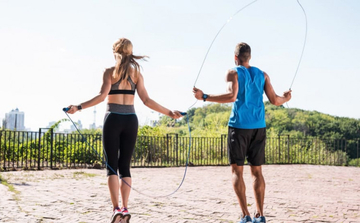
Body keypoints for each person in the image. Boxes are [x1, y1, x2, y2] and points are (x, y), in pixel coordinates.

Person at [66, 38, 182, 223]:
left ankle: (116, 209)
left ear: (115, 53)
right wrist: (169, 112)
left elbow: (102, 97)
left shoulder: (109, 72)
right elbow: (146, 100)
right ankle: (125, 207)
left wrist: (78, 107)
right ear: (130, 52)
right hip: (131, 121)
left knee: (112, 166)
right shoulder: (136, 74)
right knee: (125, 166)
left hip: (113, 118)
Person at [193, 42, 291, 223]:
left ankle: (245, 215)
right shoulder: (263, 74)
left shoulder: (233, 72)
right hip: (259, 127)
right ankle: (260, 215)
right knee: (257, 172)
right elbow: (276, 100)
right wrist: (287, 97)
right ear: (250, 57)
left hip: (238, 127)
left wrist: (204, 96)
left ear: (235, 57)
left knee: (237, 171)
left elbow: (231, 96)